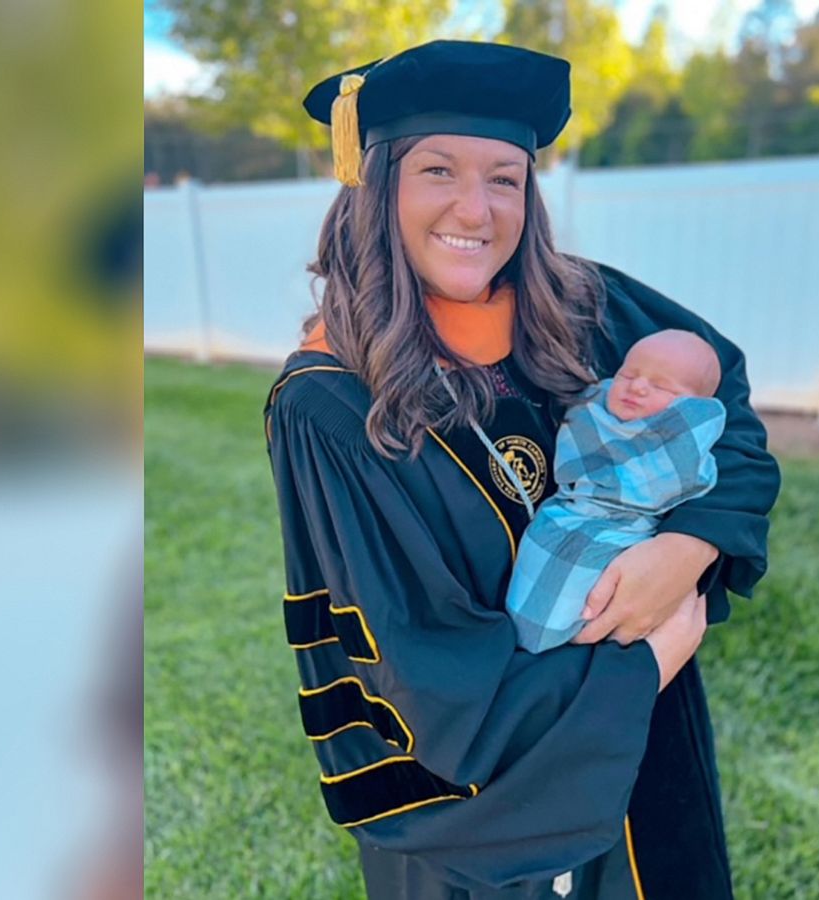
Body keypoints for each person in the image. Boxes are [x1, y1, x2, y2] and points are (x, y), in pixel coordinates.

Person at [262, 40, 780, 899]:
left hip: (650, 743)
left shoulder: (589, 308)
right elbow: (415, 665)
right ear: (376, 182)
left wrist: (688, 547)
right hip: (489, 798)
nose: (476, 206)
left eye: (504, 177)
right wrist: (642, 665)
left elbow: (726, 416)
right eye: (438, 170)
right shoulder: (331, 404)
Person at [506, 330, 728, 652]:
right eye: (628, 374)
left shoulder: (681, 440)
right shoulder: (591, 410)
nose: (637, 386)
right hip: (569, 514)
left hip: (624, 532)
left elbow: (678, 476)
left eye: (661, 386)